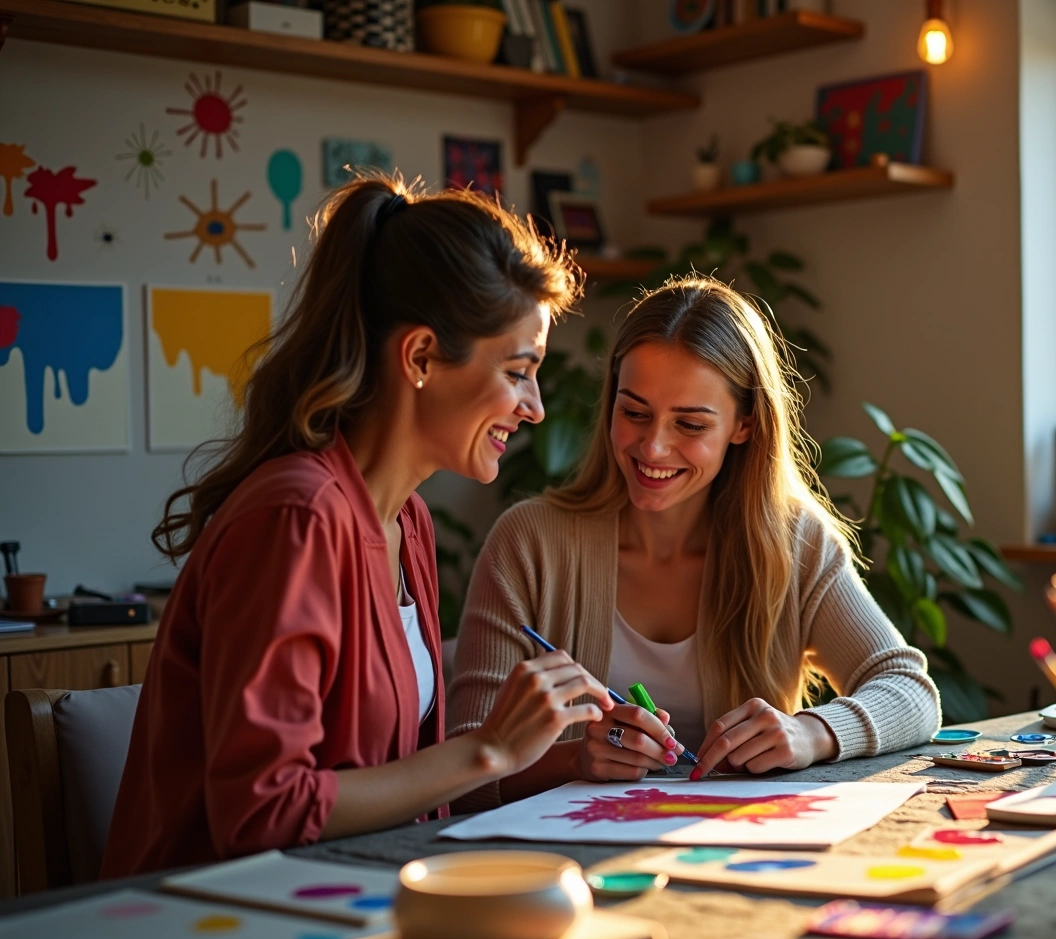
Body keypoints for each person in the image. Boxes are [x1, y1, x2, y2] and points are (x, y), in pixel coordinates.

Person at [102, 177, 612, 877]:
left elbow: (405, 790)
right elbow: (261, 813)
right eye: (520, 372)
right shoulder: (297, 519)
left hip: (349, 895)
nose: (535, 410)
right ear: (422, 357)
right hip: (214, 927)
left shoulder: (408, 521)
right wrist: (487, 749)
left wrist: (558, 755)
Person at [448, 276, 940, 808]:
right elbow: (461, 768)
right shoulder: (529, 544)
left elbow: (909, 688)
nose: (653, 446)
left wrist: (811, 733)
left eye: (690, 424)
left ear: (744, 425)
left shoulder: (794, 543)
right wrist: (575, 760)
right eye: (634, 412)